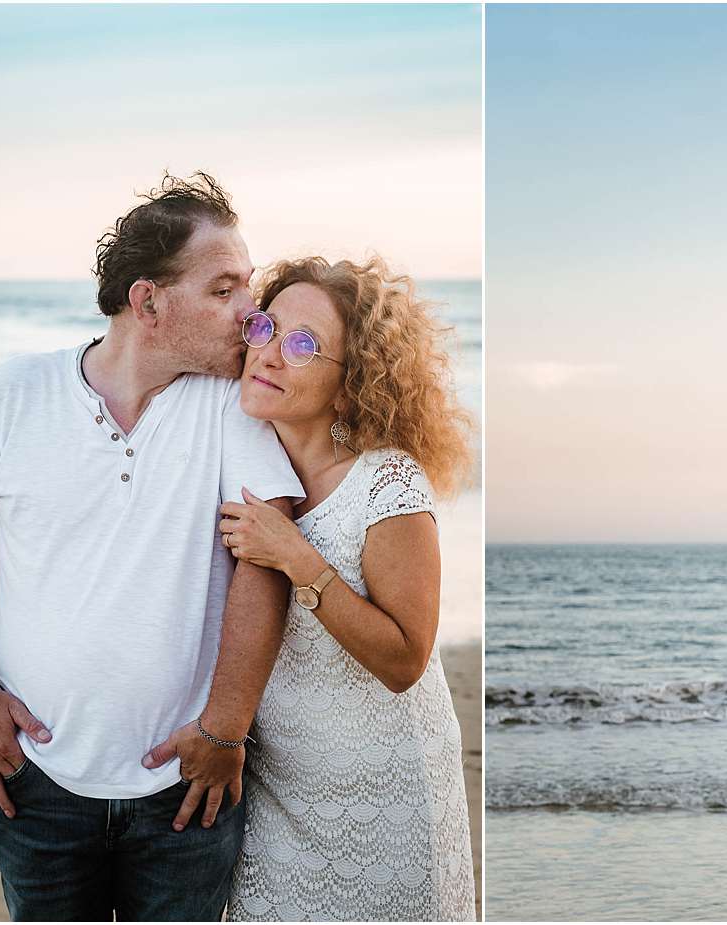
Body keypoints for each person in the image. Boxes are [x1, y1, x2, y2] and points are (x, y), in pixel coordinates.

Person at [0, 172, 304, 920]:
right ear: (148, 300)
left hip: (186, 790)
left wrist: (225, 727)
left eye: (248, 287)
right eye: (224, 290)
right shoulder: (13, 395)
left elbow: (266, 563)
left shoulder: (233, 404)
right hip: (38, 782)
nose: (253, 315)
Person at [211, 255, 477, 920]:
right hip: (278, 800)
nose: (269, 353)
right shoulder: (234, 451)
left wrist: (297, 557)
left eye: (304, 345)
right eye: (265, 328)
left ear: (349, 382)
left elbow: (404, 658)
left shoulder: (386, 484)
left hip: (386, 802)